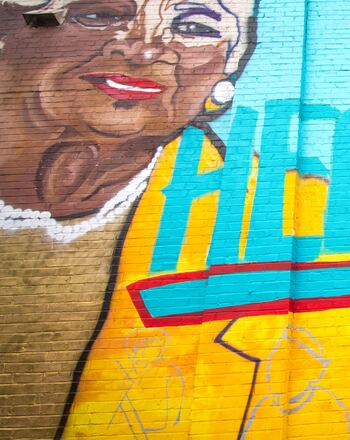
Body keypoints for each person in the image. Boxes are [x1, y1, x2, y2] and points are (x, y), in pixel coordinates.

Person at [0, 0, 257, 436]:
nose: (145, 48)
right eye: (100, 14)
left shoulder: (284, 228)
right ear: (9, 31)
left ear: (227, 69)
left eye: (195, 27)